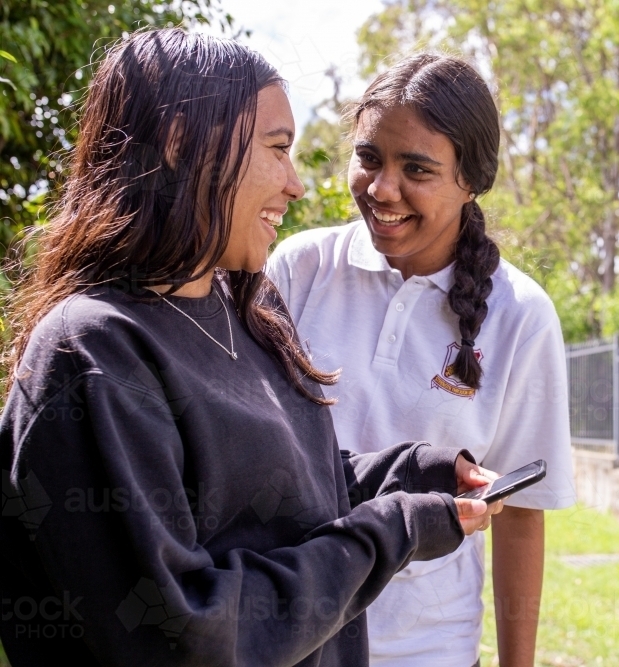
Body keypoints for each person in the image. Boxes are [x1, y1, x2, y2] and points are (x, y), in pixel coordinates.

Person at [0, 30, 502, 667]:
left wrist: (408, 471)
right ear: (184, 145)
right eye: (278, 149)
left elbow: (279, 492)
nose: (296, 184)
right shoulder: (94, 354)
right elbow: (184, 632)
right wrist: (394, 531)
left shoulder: (246, 311)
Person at [267, 54, 576, 667]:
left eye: (417, 169)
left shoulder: (520, 317)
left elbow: (520, 518)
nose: (382, 189)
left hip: (423, 649)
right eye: (370, 158)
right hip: (283, 635)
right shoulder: (297, 270)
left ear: (472, 180)